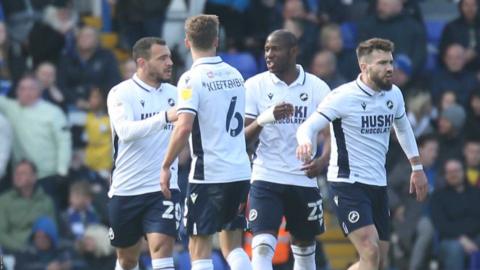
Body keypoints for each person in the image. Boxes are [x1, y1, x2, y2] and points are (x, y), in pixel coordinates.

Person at [296, 38, 428, 270]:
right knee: (369, 250)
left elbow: (403, 127)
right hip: (347, 183)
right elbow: (308, 126)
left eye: (390, 62)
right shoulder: (342, 96)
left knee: (378, 261)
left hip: (378, 184)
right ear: (364, 67)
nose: (389, 68)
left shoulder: (393, 94)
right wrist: (305, 143)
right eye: (382, 63)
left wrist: (417, 168)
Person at [160, 15, 252, 270]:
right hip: (240, 170)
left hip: (209, 174)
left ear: (187, 42)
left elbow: (184, 125)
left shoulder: (191, 79)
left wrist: (166, 164)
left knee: (198, 246)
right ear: (216, 40)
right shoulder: (235, 75)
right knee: (232, 245)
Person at [243, 29, 331, 270]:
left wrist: (322, 161)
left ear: (293, 51)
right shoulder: (254, 85)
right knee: (261, 247)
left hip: (303, 177)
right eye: (267, 49)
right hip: (265, 175)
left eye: (275, 49)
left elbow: (331, 134)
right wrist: (264, 119)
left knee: (304, 250)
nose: (269, 54)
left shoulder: (317, 87)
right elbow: (241, 140)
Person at [106, 37, 179, 270]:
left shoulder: (177, 94)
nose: (170, 62)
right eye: (162, 58)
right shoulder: (120, 93)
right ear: (142, 63)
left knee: (162, 250)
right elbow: (125, 131)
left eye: (169, 56)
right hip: (126, 188)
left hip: (163, 188)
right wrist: (165, 117)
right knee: (127, 260)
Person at [0, 160, 56, 253]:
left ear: (34, 177)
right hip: (13, 251)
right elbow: (1, 233)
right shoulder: (4, 201)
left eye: (23, 173)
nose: (17, 176)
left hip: (42, 251)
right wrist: (20, 248)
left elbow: (51, 230)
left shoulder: (46, 201)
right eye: (16, 173)